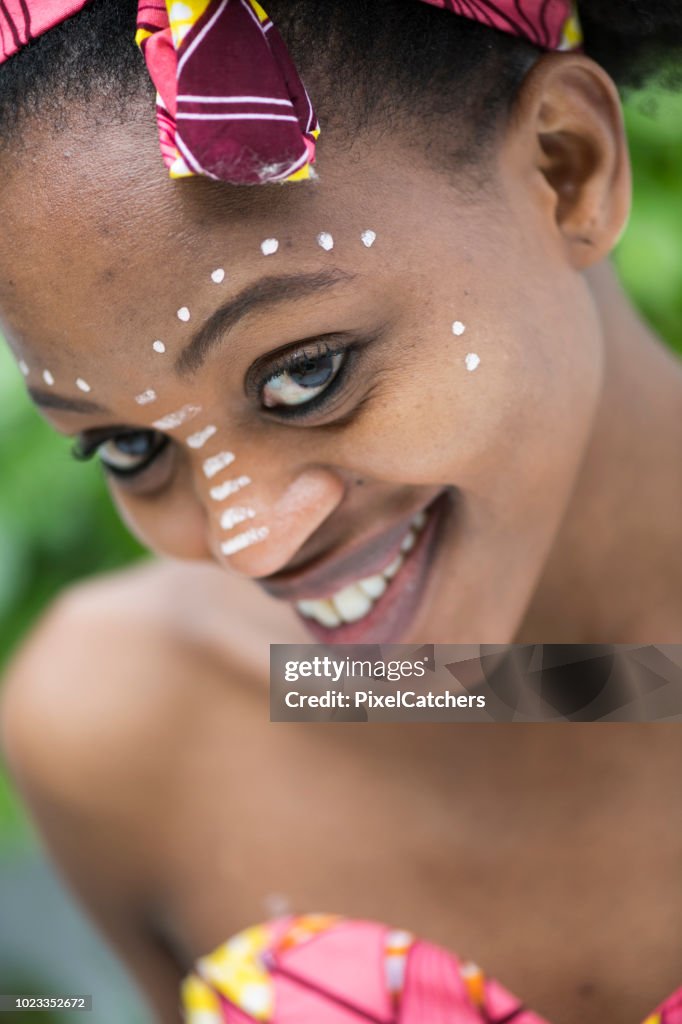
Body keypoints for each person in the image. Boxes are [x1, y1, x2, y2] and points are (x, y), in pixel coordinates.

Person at [0, 2, 681, 1022]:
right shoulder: (132, 731)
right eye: (129, 448)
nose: (246, 541)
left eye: (307, 375)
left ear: (565, 166)